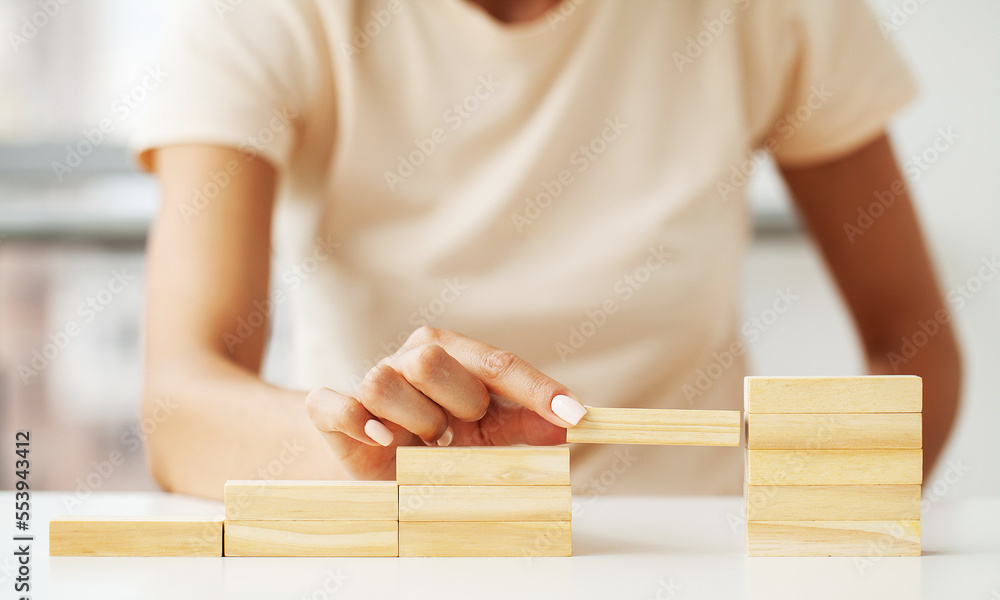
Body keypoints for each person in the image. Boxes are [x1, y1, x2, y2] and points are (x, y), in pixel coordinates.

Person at [132, 0, 961, 499]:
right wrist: (366, 459)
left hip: (697, 562)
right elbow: (181, 403)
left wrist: (797, 546)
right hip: (393, 559)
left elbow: (912, 345)